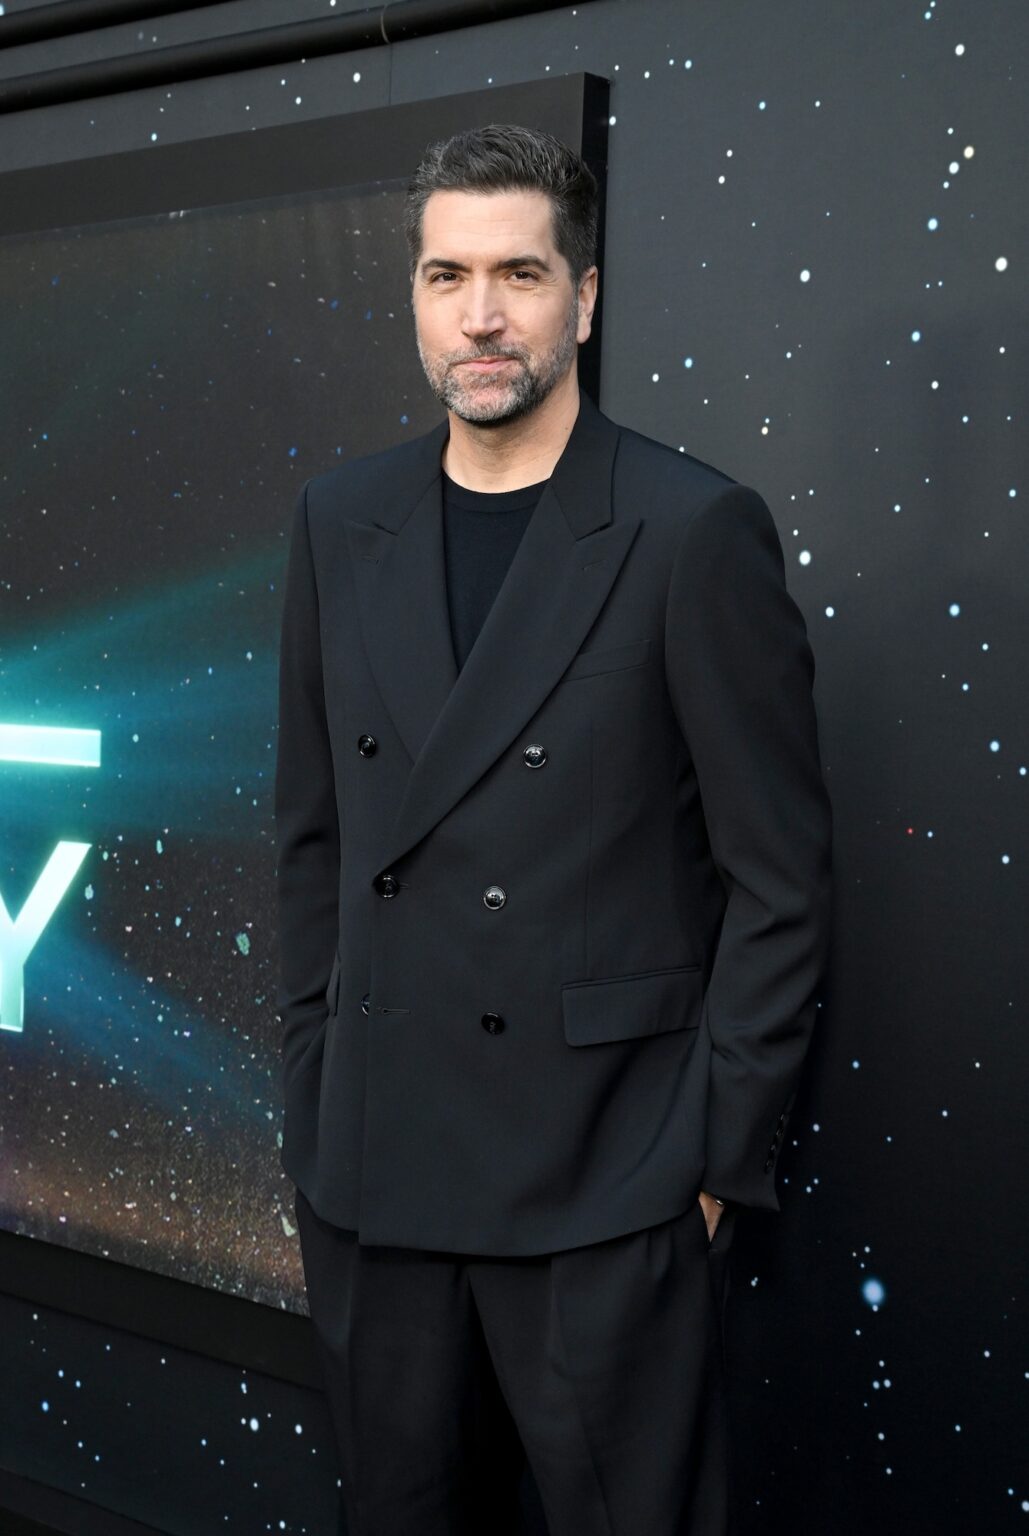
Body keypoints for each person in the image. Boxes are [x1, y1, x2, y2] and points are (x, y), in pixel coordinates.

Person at [275, 122, 833, 1536]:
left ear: (582, 299)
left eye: (518, 274)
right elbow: (313, 842)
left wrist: (712, 1162)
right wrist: (314, 1091)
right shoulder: (340, 521)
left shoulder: (691, 528)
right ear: (414, 297)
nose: (480, 315)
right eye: (446, 275)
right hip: (380, 1175)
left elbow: (779, 880)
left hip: (603, 1184)